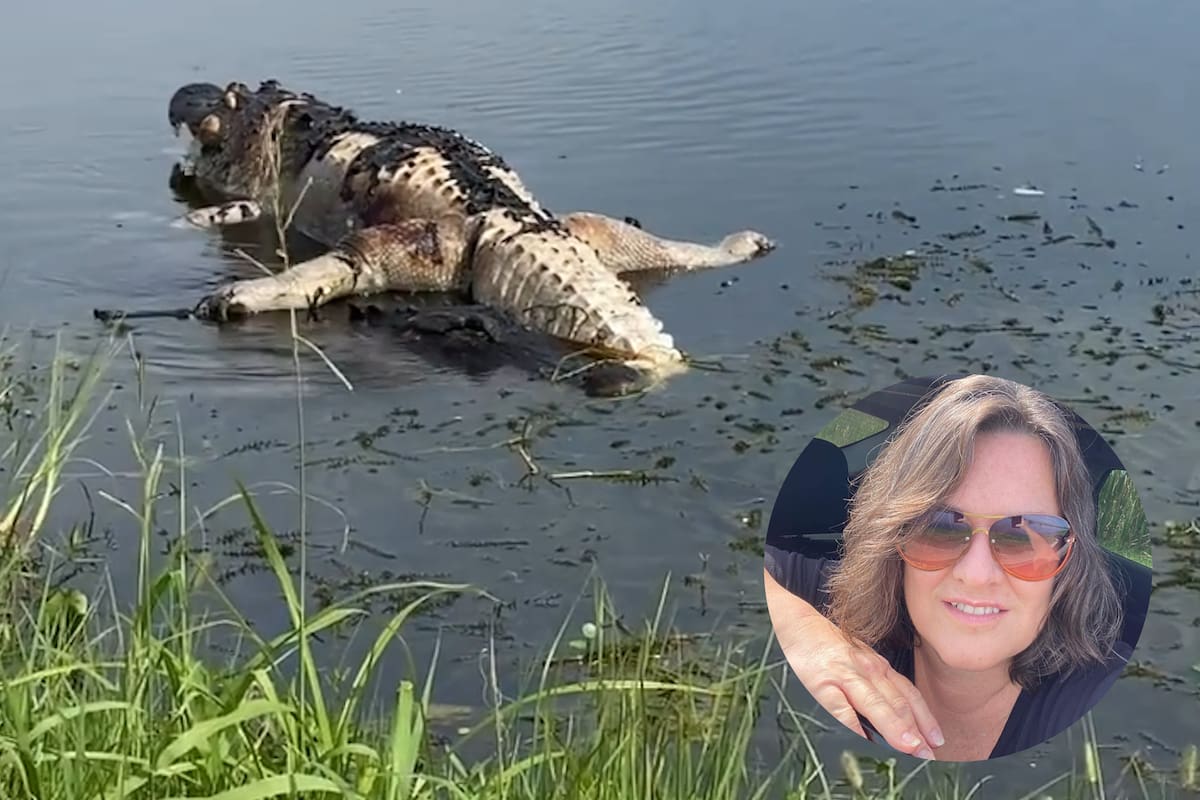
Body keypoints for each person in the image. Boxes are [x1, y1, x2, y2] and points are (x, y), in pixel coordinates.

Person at [763, 374, 1133, 762]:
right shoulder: (833, 604)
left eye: (1022, 535)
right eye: (939, 527)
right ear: (893, 539)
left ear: (1067, 560)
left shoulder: (1103, 708)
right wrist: (805, 634)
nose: (975, 573)